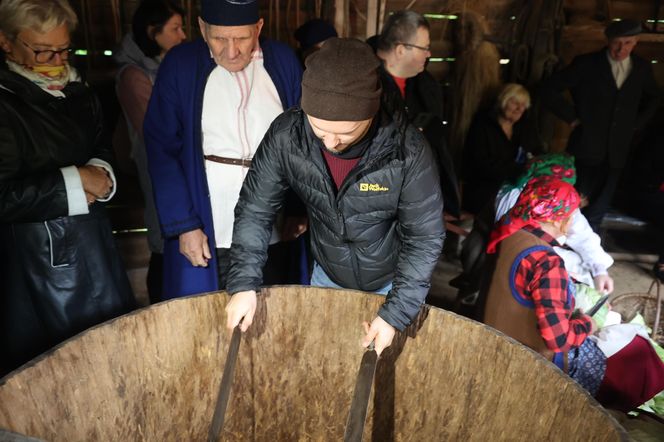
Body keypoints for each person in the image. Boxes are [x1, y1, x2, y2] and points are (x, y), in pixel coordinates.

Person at [224, 38, 445, 356]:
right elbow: (255, 209)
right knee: (326, 361)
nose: (331, 142)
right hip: (327, 273)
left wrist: (395, 313)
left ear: (370, 112)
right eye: (319, 129)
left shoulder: (406, 152)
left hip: (392, 282)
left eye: (345, 132)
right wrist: (244, 283)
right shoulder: (288, 137)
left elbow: (424, 237)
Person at [0, 0, 136, 375]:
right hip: (38, 257)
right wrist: (75, 181)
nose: (55, 60)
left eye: (63, 49)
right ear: (6, 42)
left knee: (110, 344)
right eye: (42, 50)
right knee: (59, 363)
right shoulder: (6, 103)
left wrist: (102, 173)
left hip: (93, 240)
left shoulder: (78, 90)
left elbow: (101, 147)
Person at [143, 0, 305, 299]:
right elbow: (162, 147)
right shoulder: (181, 64)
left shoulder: (282, 61)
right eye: (219, 38)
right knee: (206, 318)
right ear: (203, 29)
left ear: (258, 28)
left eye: (242, 38)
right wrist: (184, 225)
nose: (231, 51)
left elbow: (300, 140)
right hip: (206, 219)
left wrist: (297, 208)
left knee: (271, 308)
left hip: (272, 216)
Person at [483, 177, 664, 407]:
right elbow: (558, 340)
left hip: (501, 336)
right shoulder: (547, 262)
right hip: (537, 359)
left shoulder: (511, 235)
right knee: (640, 359)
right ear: (562, 221)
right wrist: (588, 323)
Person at [539, 19, 660, 231]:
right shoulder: (586, 64)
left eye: (628, 43)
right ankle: (563, 247)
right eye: (617, 43)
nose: (621, 49)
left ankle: (588, 251)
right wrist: (572, 117)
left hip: (617, 151)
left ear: (636, 42)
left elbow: (655, 98)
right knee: (574, 201)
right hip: (586, 147)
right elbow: (548, 89)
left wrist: (636, 124)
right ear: (608, 41)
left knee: (600, 204)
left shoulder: (641, 68)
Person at [114, 0, 186, 304]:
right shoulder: (135, 76)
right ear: (152, 32)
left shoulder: (167, 65)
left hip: (176, 157)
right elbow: (152, 131)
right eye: (175, 29)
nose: (182, 35)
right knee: (161, 232)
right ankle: (158, 301)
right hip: (155, 161)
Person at [375, 10, 459, 216]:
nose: (429, 54)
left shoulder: (426, 86)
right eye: (425, 48)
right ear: (401, 49)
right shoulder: (364, 85)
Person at [494, 153, 615, 293]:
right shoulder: (515, 197)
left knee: (583, 266)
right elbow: (519, 248)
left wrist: (600, 271)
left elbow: (582, 234)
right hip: (513, 261)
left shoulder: (561, 199)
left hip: (531, 253)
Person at [461, 83, 530, 215]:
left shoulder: (523, 128)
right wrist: (519, 170)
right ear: (502, 101)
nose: (519, 109)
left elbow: (535, 151)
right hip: (485, 190)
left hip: (513, 189)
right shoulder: (483, 125)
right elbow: (480, 163)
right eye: (515, 103)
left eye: (523, 105)